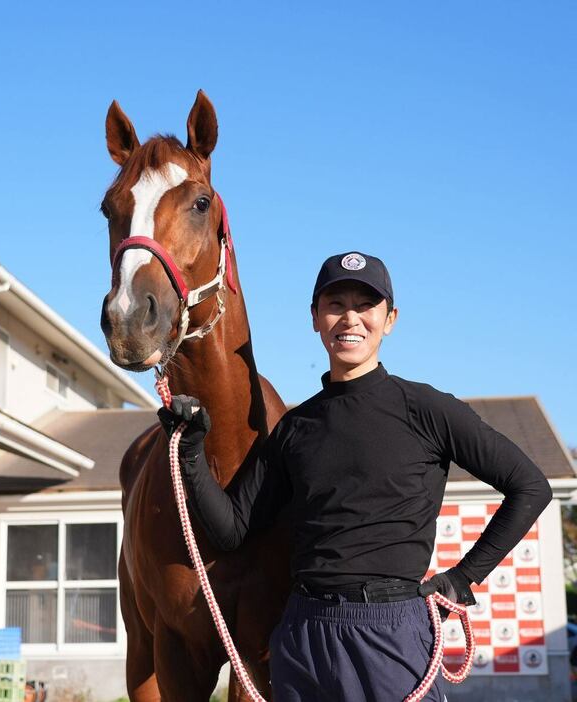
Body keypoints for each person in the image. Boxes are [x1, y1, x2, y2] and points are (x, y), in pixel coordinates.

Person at [158, 251, 552, 702]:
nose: (350, 318)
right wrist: (190, 450)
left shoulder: (427, 410)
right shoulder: (294, 427)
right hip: (304, 633)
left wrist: (463, 577)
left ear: (390, 319)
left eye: (366, 305)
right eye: (335, 304)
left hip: (393, 631)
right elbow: (230, 530)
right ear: (315, 318)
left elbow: (530, 486)